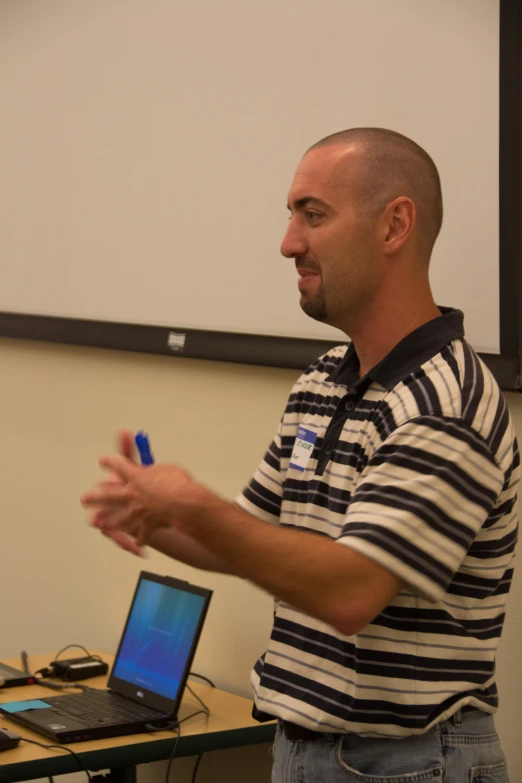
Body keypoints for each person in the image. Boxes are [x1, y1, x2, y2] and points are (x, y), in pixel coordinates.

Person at [81, 128, 518, 781]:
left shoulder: (445, 400)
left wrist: (193, 505)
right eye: (291, 216)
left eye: (312, 215)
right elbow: (258, 535)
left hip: (406, 762)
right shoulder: (321, 381)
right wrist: (156, 515)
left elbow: (351, 589)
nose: (289, 242)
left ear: (394, 225)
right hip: (306, 749)